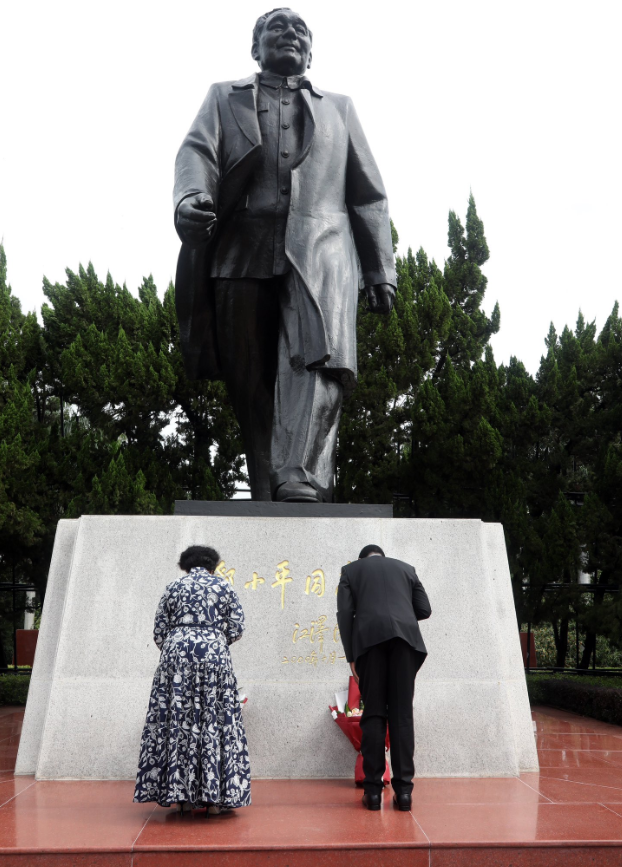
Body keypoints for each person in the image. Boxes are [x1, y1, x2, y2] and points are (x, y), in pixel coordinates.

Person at [174, 7, 396, 503]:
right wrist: (190, 200)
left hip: (318, 254)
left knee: (314, 362)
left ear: (311, 51)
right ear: (256, 48)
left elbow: (367, 194)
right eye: (277, 28)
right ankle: (263, 482)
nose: (290, 34)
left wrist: (380, 268)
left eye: (300, 30)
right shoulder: (222, 97)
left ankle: (299, 476)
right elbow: (196, 153)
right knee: (247, 376)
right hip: (239, 249)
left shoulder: (340, 108)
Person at [134, 545, 251, 815]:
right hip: (214, 655)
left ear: (185, 565)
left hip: (176, 657)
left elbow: (159, 630)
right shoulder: (224, 587)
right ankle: (214, 801)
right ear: (213, 565)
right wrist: (214, 642)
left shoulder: (173, 586)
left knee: (179, 721)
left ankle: (183, 797)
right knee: (213, 721)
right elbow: (236, 627)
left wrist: (179, 643)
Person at [336, 544, 431, 812]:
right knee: (402, 715)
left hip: (369, 644)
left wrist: (351, 656)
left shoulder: (351, 571)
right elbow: (424, 609)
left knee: (374, 714)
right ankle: (404, 793)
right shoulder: (406, 569)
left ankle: (373, 792)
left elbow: (344, 615)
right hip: (405, 643)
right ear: (383, 557)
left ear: (362, 559)